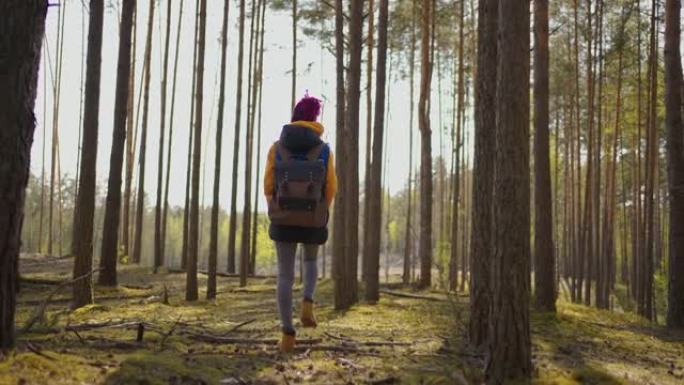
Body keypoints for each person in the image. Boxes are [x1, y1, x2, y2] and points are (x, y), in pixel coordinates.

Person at [264, 94, 337, 353]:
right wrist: (319, 210)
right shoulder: (324, 149)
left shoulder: (277, 148)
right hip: (313, 217)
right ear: (315, 118)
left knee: (284, 274)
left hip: (283, 216)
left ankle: (287, 335)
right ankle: (308, 302)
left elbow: (268, 185)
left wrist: (277, 205)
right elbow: (330, 188)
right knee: (310, 261)